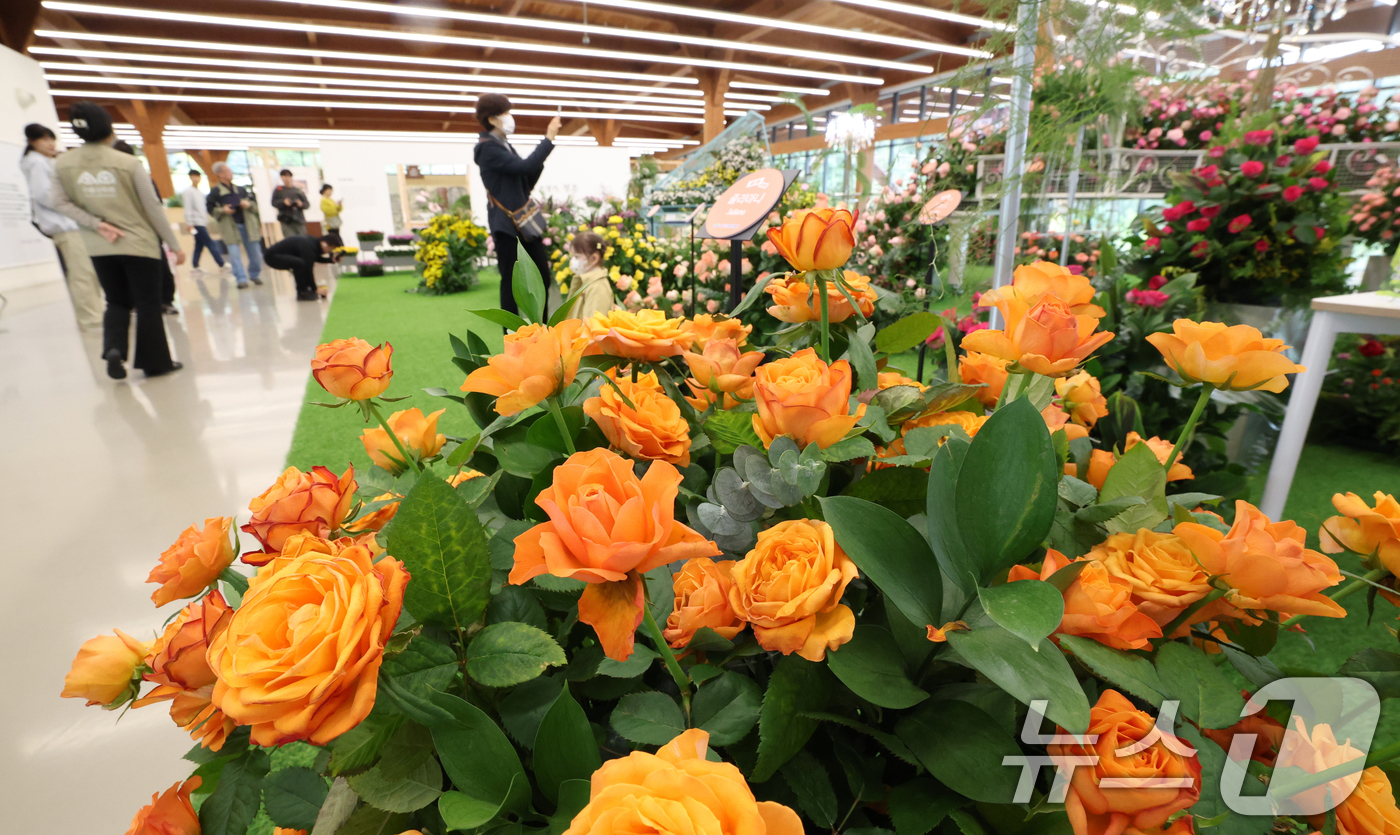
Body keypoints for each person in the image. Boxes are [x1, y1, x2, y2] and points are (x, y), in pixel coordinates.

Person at [49, 101, 185, 379]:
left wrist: (96, 224)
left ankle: (113, 350)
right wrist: (174, 244)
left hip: (100, 246)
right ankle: (155, 363)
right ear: (109, 129)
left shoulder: (63, 164)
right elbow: (152, 208)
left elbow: (58, 203)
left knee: (116, 301)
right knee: (148, 303)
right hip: (139, 244)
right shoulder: (128, 163)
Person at [474, 93, 561, 315]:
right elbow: (524, 168)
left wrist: (536, 163)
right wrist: (548, 138)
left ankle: (541, 329)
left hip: (522, 223)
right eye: (505, 113)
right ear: (492, 119)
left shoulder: (503, 145)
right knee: (511, 284)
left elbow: (524, 179)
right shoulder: (488, 149)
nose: (510, 117)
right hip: (506, 226)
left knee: (541, 274)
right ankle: (510, 336)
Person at [19, 123, 105, 330]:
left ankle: (97, 314)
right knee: (81, 274)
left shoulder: (46, 161)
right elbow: (43, 194)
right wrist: (71, 204)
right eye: (44, 139)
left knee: (88, 272)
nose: (50, 144)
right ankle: (90, 319)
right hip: (65, 226)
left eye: (52, 139)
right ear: (32, 142)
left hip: (73, 225)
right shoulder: (36, 162)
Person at [207, 162, 263, 289]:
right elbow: (211, 210)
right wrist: (223, 210)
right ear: (219, 174)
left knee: (256, 253)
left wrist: (247, 204)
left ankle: (254, 274)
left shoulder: (241, 190)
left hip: (247, 226)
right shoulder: (215, 192)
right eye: (227, 171)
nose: (230, 173)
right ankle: (241, 279)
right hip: (230, 227)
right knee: (234, 254)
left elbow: (254, 205)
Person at [263, 233, 342, 301]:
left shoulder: (313, 243)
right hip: (272, 257)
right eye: (331, 249)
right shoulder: (309, 246)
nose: (330, 251)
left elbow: (315, 258)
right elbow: (309, 269)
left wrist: (331, 260)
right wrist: (315, 289)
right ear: (325, 244)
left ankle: (304, 290)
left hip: (278, 255)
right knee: (300, 264)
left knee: (300, 264)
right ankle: (302, 293)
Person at [181, 169, 225, 274]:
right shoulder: (188, 192)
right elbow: (188, 208)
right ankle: (221, 263)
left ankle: (195, 266)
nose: (197, 179)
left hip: (202, 222)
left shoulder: (200, 192)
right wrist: (189, 222)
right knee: (210, 243)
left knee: (199, 245)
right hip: (196, 223)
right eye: (195, 176)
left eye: (198, 176)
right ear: (191, 177)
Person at [566, 231, 615, 320]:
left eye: (577, 256)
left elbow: (593, 324)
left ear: (593, 259)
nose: (572, 260)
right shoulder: (584, 281)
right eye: (572, 256)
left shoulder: (598, 287)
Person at [271, 169, 308, 238]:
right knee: (290, 241)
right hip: (286, 220)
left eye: (288, 176)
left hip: (299, 219)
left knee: (302, 240)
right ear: (281, 177)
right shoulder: (279, 190)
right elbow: (273, 202)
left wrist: (300, 204)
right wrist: (283, 202)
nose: (286, 178)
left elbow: (307, 204)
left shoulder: (298, 190)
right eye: (284, 176)